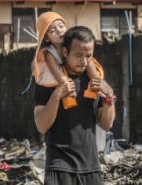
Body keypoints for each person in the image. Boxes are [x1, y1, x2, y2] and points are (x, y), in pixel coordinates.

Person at [34, 26, 116, 185]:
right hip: (59, 167)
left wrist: (109, 98)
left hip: (91, 168)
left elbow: (106, 124)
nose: (84, 61)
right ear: (65, 52)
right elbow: (41, 126)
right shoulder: (48, 79)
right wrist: (58, 94)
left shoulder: (94, 81)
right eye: (78, 55)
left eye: (88, 56)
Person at [32, 12, 104, 110]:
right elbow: (57, 73)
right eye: (52, 30)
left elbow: (85, 55)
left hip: (79, 65)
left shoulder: (71, 41)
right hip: (62, 71)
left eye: (61, 26)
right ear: (46, 38)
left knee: (90, 62)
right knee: (63, 78)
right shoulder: (49, 53)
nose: (59, 31)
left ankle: (97, 85)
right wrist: (69, 88)